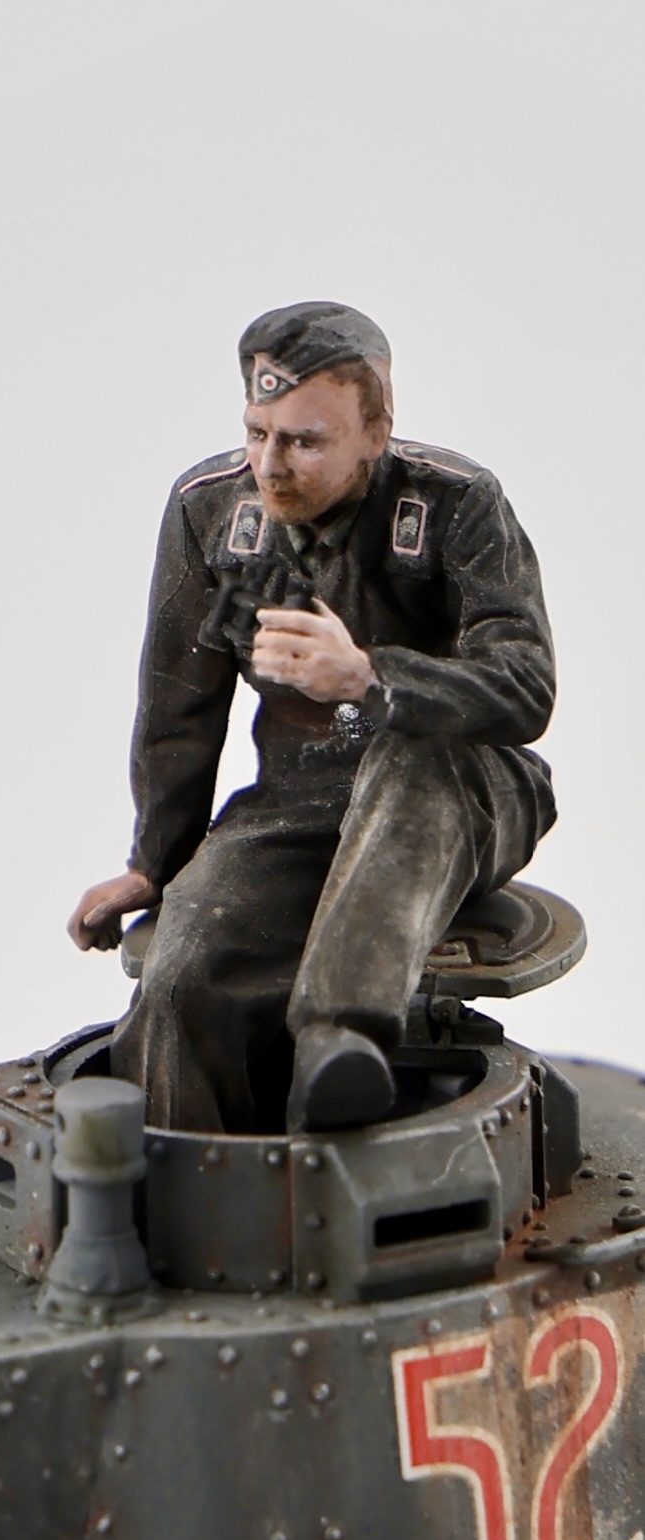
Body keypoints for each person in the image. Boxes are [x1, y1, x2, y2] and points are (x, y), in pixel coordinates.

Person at [68, 302, 556, 1135]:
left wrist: (370, 677)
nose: (269, 465)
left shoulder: (456, 503)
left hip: (466, 789)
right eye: (256, 433)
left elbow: (525, 687)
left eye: (303, 441)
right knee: (183, 978)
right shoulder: (211, 514)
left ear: (375, 431)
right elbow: (179, 706)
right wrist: (155, 862)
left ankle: (340, 1040)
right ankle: (187, 1180)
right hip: (303, 801)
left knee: (409, 757)